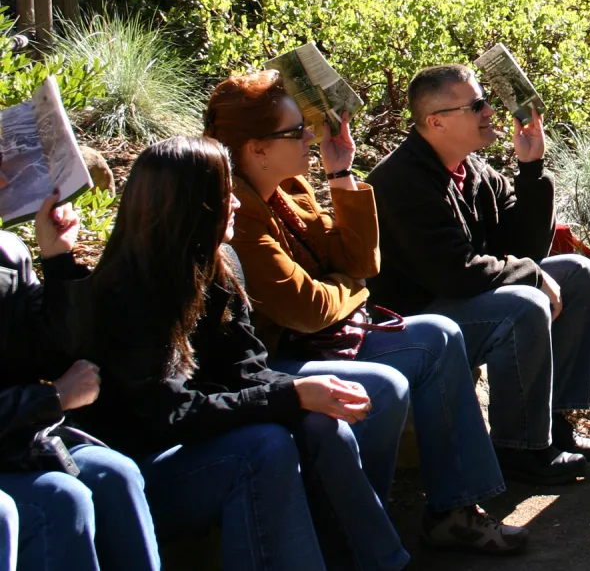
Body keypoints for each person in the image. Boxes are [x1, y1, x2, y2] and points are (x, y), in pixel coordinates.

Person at [204, 72, 526, 554]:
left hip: (326, 337)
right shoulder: (239, 213)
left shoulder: (288, 186)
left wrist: (340, 175)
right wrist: (350, 290)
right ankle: (356, 534)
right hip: (278, 360)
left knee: (436, 336)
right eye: (295, 132)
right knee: (384, 383)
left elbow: (360, 262)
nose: (311, 136)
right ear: (256, 148)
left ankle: (455, 509)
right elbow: (308, 310)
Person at [76, 136, 410, 571]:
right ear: (191, 204)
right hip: (148, 469)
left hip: (204, 438)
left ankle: (381, 563)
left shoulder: (220, 263)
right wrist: (290, 396)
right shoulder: (130, 291)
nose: (235, 202)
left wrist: (304, 391)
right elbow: (171, 414)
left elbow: (248, 368)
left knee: (323, 424)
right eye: (223, 192)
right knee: (264, 446)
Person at [367, 69, 590, 485]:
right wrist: (532, 277)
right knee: (525, 302)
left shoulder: (472, 170)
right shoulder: (401, 181)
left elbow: (526, 245)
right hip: (415, 322)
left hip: (460, 302)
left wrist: (531, 168)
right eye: (476, 105)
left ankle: (554, 426)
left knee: (576, 272)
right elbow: (454, 273)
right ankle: (520, 447)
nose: (489, 112)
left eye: (485, 102)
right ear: (436, 122)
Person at [0, 199, 159, 571]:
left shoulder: (8, 253)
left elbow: (54, 352)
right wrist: (51, 397)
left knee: (115, 474)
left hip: (18, 441)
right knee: (60, 498)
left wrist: (57, 261)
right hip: (15, 437)